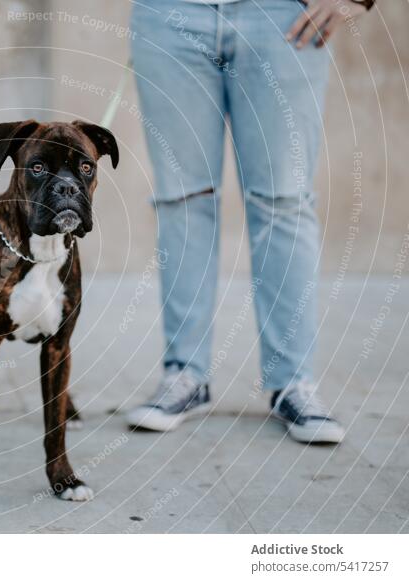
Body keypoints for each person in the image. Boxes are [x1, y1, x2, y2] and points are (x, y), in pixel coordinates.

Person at [125, 0, 374, 444]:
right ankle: (184, 375)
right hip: (168, 15)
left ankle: (293, 383)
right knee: (182, 198)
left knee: (284, 200)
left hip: (281, 16)